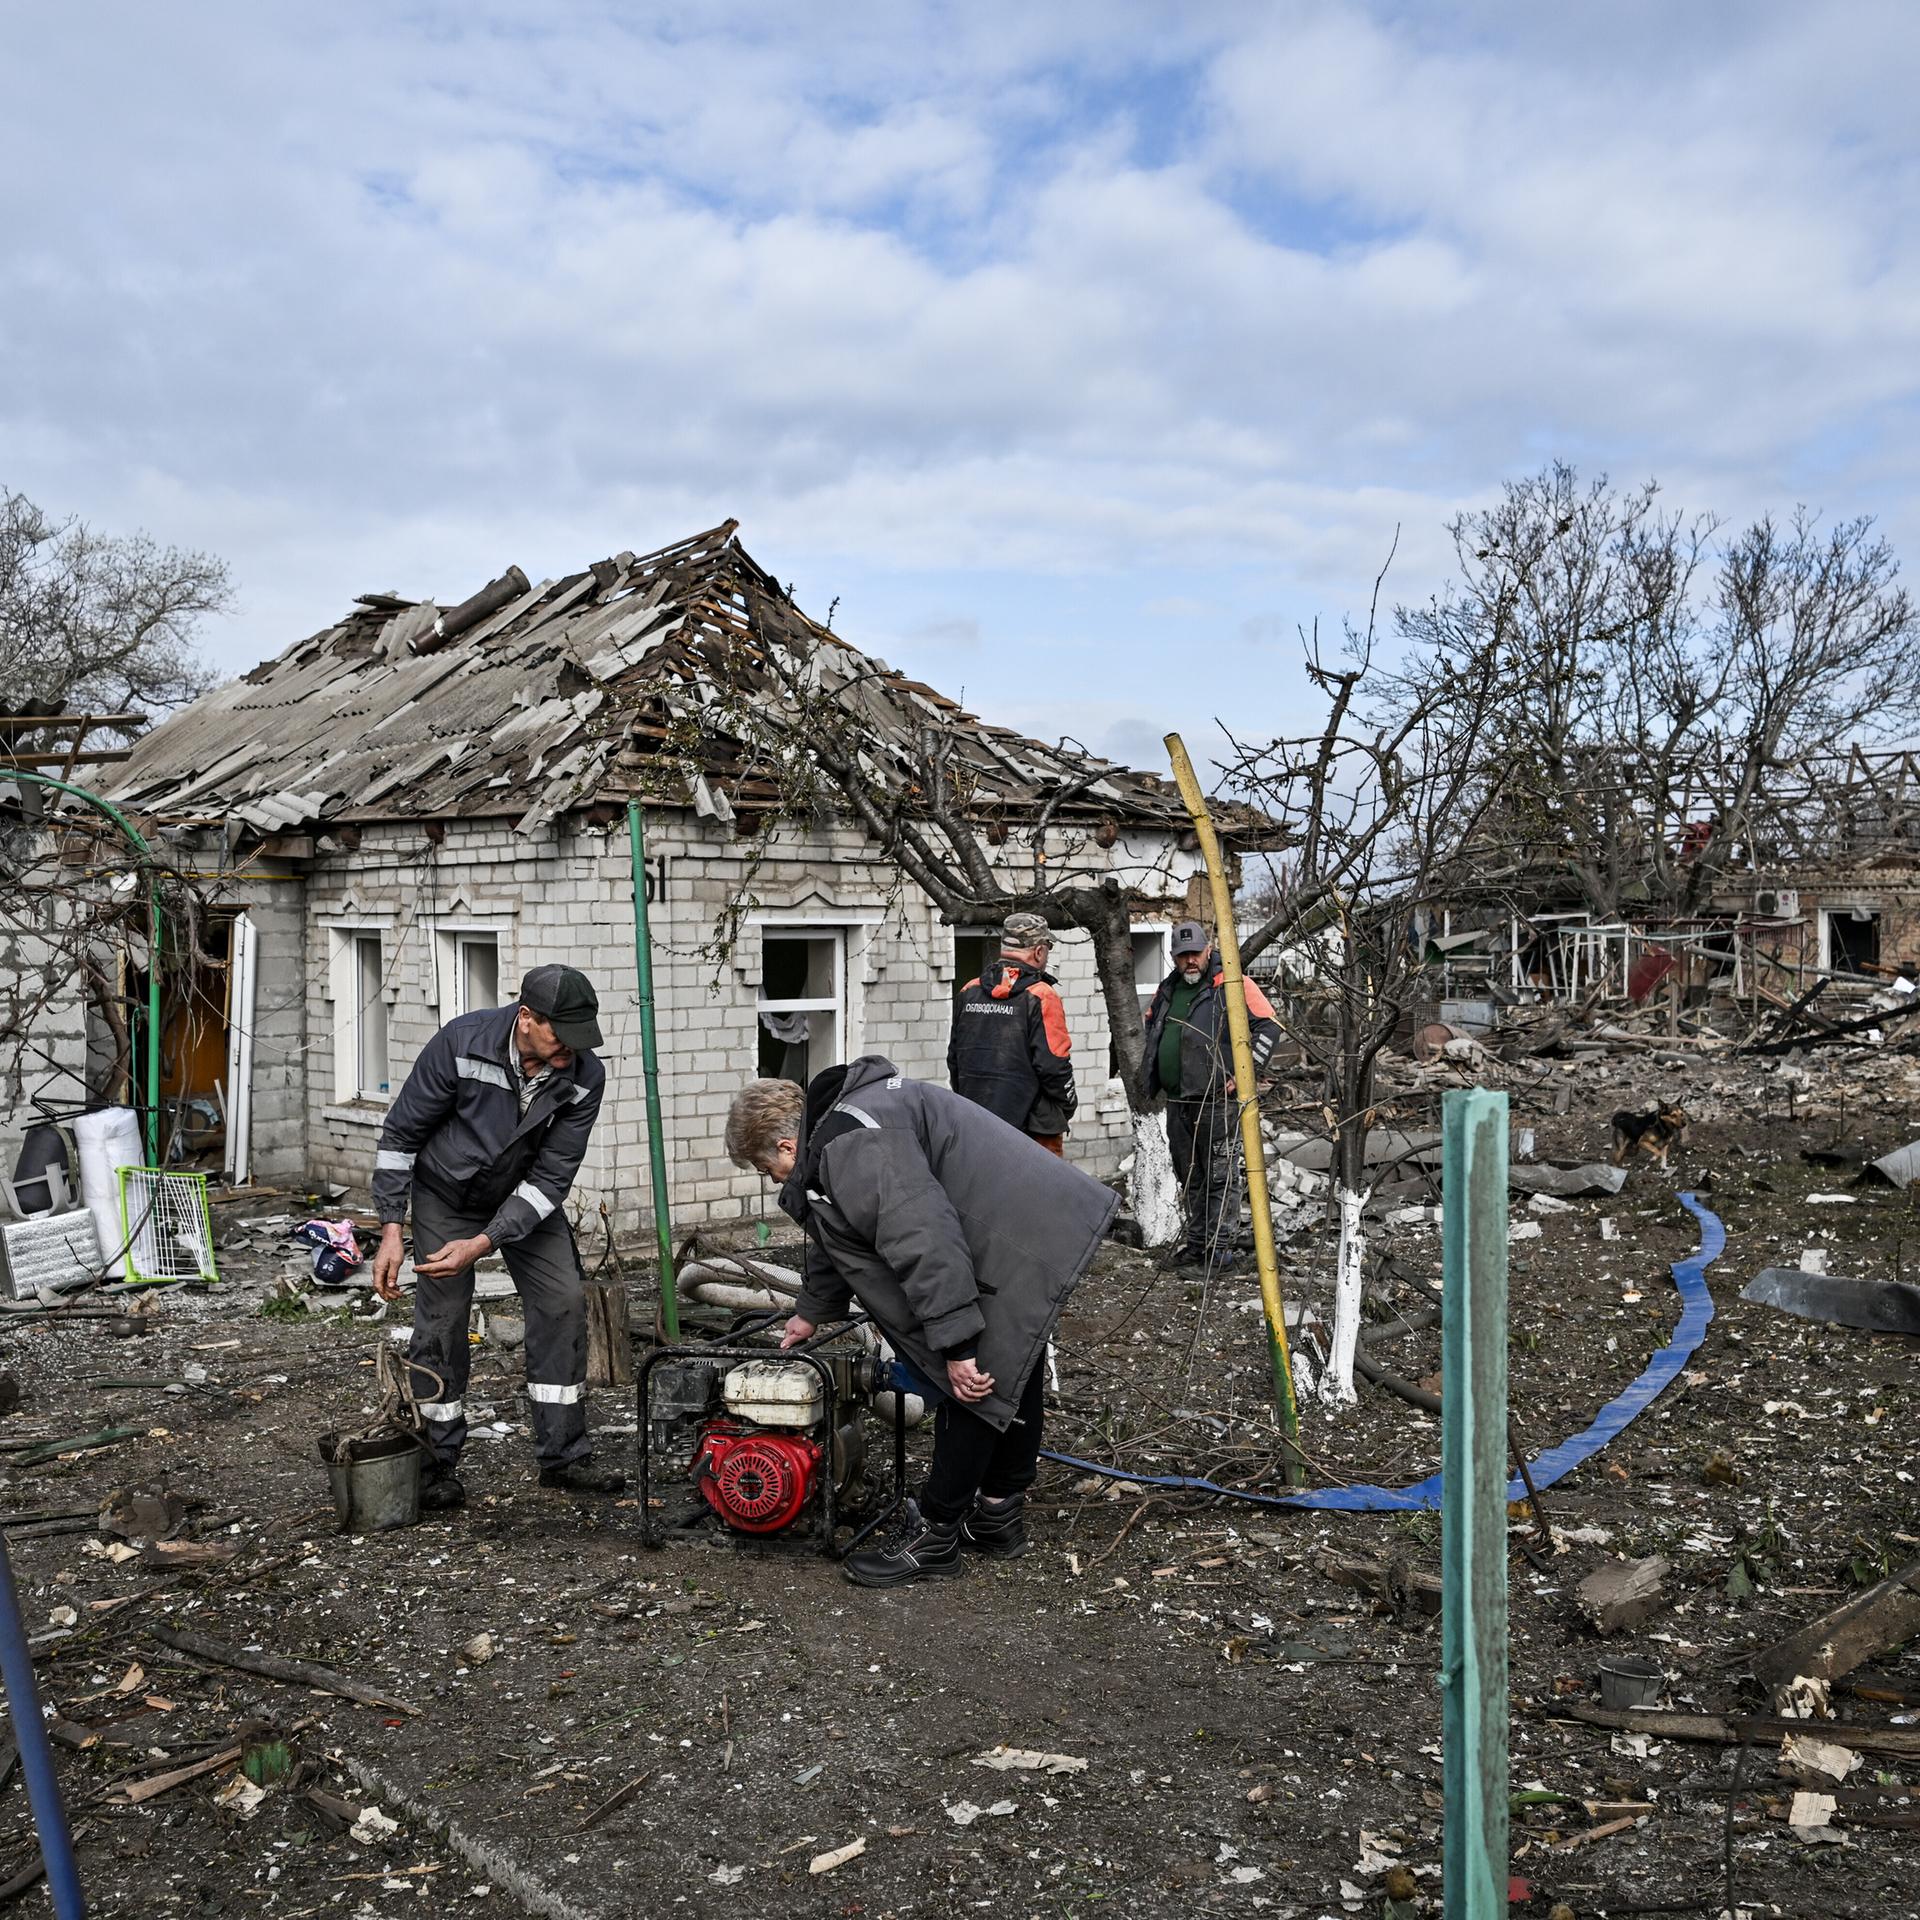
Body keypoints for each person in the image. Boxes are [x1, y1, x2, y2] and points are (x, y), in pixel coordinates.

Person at [725, 1057, 1117, 1587]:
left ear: (786, 1147)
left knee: (971, 1381)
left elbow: (924, 1240)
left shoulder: (855, 1145)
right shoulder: (840, 1131)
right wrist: (812, 1312)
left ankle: (934, 1534)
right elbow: (839, 1227)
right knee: (1008, 1366)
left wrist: (956, 1345)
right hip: (1023, 1221)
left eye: (762, 1167)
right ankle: (998, 1514)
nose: (769, 1179)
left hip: (1011, 1234)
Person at [370, 964, 622, 1511]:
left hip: (526, 1198)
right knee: (442, 1316)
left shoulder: (584, 1076)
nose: (570, 1053)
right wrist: (392, 1227)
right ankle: (436, 1463)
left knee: (563, 1302)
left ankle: (563, 1455)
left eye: (580, 1041)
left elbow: (554, 1175)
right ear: (527, 1018)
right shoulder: (460, 1044)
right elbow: (400, 1137)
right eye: (561, 1037)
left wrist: (486, 1241)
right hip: (445, 1194)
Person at [1140, 921, 1280, 1272]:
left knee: (1220, 1177)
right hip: (1178, 1101)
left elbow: (1269, 1025)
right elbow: (1154, 1027)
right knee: (1192, 1178)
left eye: (1194, 953)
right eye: (1182, 955)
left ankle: (1220, 1254)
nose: (1189, 961)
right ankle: (1198, 1245)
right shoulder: (1168, 989)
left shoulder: (1231, 984)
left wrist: (1244, 1074)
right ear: (1174, 957)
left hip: (1216, 1102)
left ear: (1208, 950)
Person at [947, 910, 1077, 1154]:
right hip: (1034, 1130)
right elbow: (1054, 1066)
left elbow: (954, 1060)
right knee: (1040, 1191)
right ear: (1039, 951)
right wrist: (1067, 1105)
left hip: (977, 1123)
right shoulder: (1041, 995)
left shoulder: (969, 990)